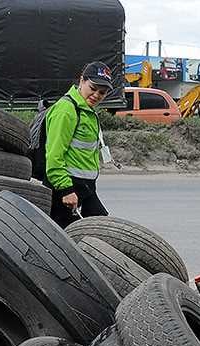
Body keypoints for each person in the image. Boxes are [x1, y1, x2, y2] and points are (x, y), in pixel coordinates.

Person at [45, 61, 113, 227]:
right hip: (66, 189)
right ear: (82, 80)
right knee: (69, 237)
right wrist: (66, 190)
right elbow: (54, 156)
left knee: (103, 230)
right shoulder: (66, 110)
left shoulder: (88, 112)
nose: (96, 95)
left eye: (102, 92)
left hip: (86, 188)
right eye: (93, 88)